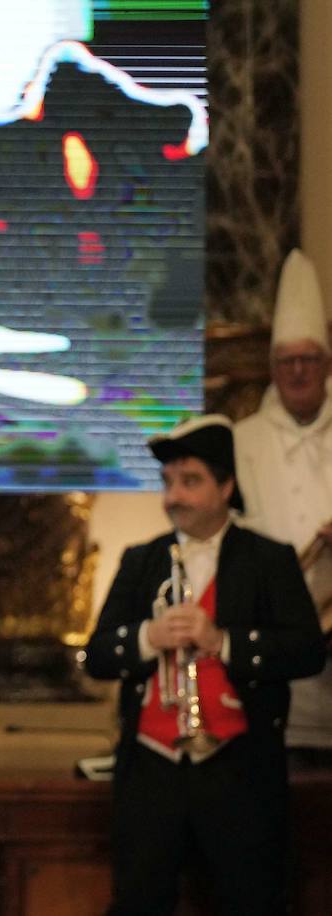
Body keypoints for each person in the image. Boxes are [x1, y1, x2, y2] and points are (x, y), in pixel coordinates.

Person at [84, 414, 324, 916]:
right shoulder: (141, 560)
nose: (173, 497)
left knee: (251, 901)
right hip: (151, 773)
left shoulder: (268, 560)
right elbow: (98, 655)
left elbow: (307, 650)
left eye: (190, 481)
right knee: (139, 903)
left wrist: (223, 641)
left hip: (241, 772)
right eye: (168, 482)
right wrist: (148, 637)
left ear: (226, 486)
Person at [235, 248, 332, 770]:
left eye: (308, 359)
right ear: (272, 369)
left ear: (326, 363)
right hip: (275, 656)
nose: (298, 371)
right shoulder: (242, 442)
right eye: (287, 361)